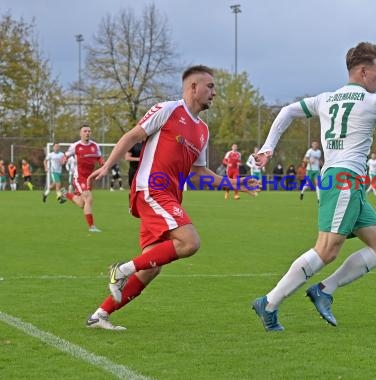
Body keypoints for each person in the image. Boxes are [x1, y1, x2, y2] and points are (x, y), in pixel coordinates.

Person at [251, 41, 376, 331]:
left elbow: (286, 111)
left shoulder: (325, 99)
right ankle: (269, 303)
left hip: (347, 183)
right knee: (326, 250)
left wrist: (268, 147)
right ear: (363, 71)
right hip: (343, 181)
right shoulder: (374, 103)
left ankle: (324, 290)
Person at [85, 65, 258, 330]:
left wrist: (232, 183)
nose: (214, 92)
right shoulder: (168, 110)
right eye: (210, 86)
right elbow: (133, 135)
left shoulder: (202, 130)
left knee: (151, 266)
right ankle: (121, 270)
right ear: (193, 87)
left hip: (170, 198)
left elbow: (199, 173)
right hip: (151, 190)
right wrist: (108, 165)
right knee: (190, 242)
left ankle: (100, 315)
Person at [62, 124, 105, 232]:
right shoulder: (75, 146)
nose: (87, 133)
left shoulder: (95, 146)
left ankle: (66, 194)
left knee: (82, 203)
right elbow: (66, 155)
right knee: (89, 199)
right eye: (85, 131)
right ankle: (92, 227)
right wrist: (64, 159)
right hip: (79, 177)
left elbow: (99, 158)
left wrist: (103, 166)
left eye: (89, 131)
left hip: (90, 178)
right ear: (80, 133)